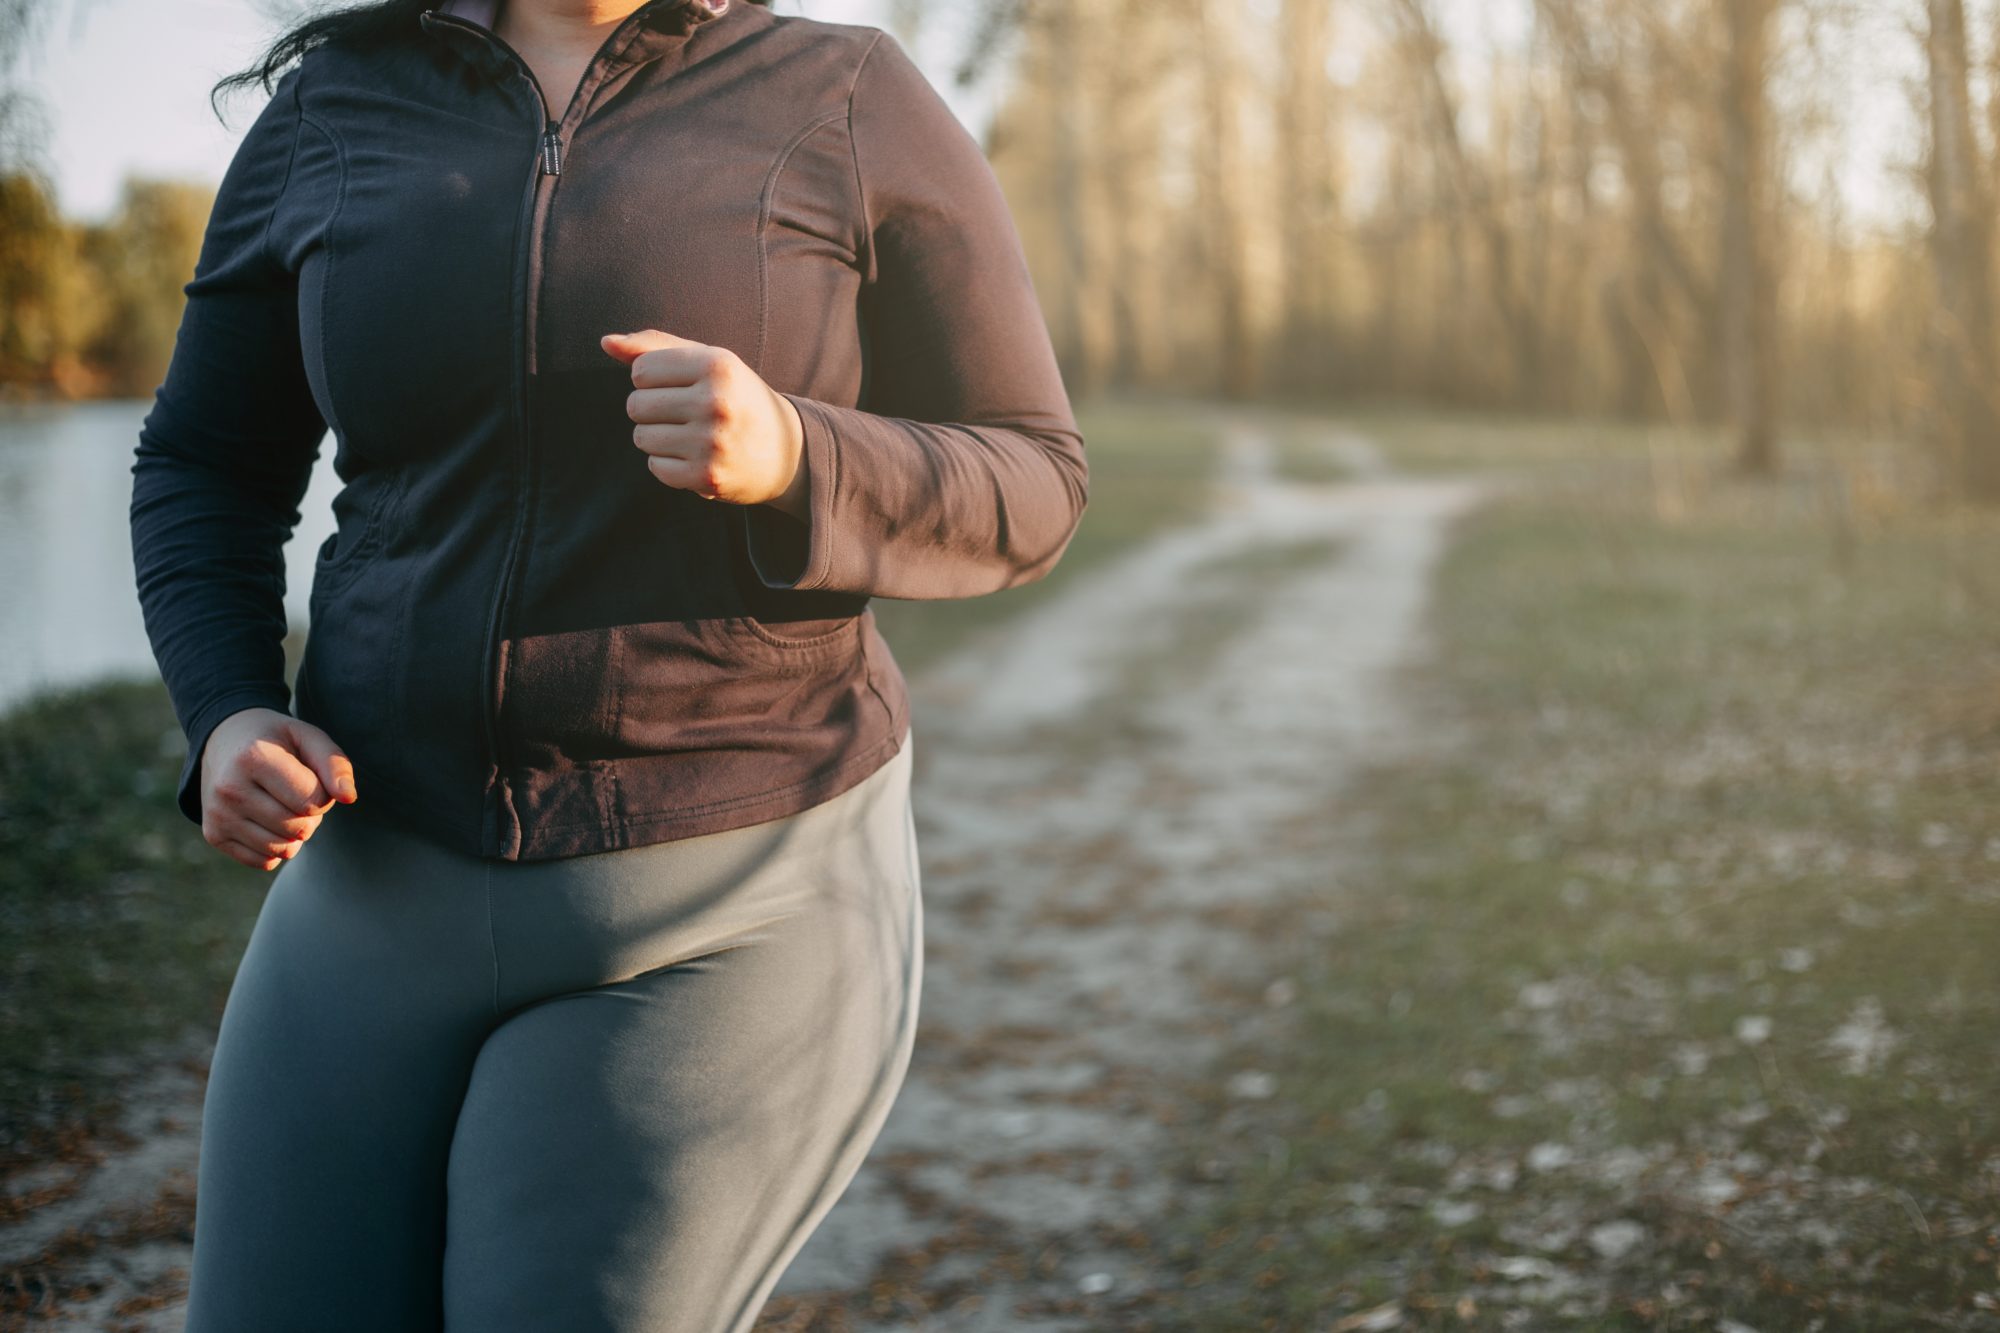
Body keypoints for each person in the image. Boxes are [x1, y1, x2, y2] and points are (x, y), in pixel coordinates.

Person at [125, 0, 1087, 1326]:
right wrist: (228, 706)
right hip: (372, 881)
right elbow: (204, 460)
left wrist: (804, 456)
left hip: (723, 900)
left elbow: (1033, 476)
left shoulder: (842, 93)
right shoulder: (340, 102)